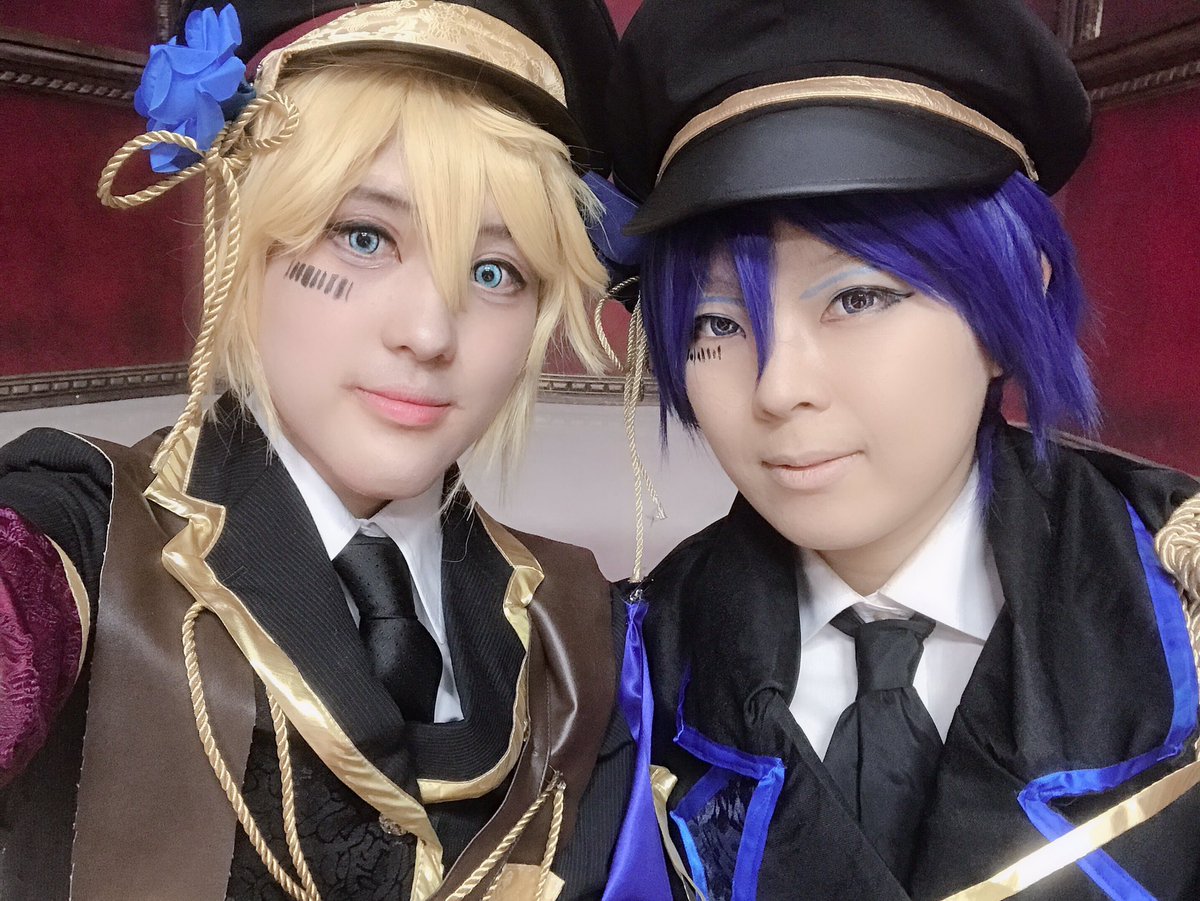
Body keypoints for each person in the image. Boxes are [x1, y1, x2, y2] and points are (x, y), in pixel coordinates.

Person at [0, 2, 634, 899]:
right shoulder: (83, 534)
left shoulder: (578, 626)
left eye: (494, 272)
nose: (428, 333)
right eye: (364, 236)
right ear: (246, 235)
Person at [600, 0, 1200, 898]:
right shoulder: (630, 665)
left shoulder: (1183, 610)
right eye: (716, 323)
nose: (777, 387)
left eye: (858, 298)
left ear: (1014, 305)